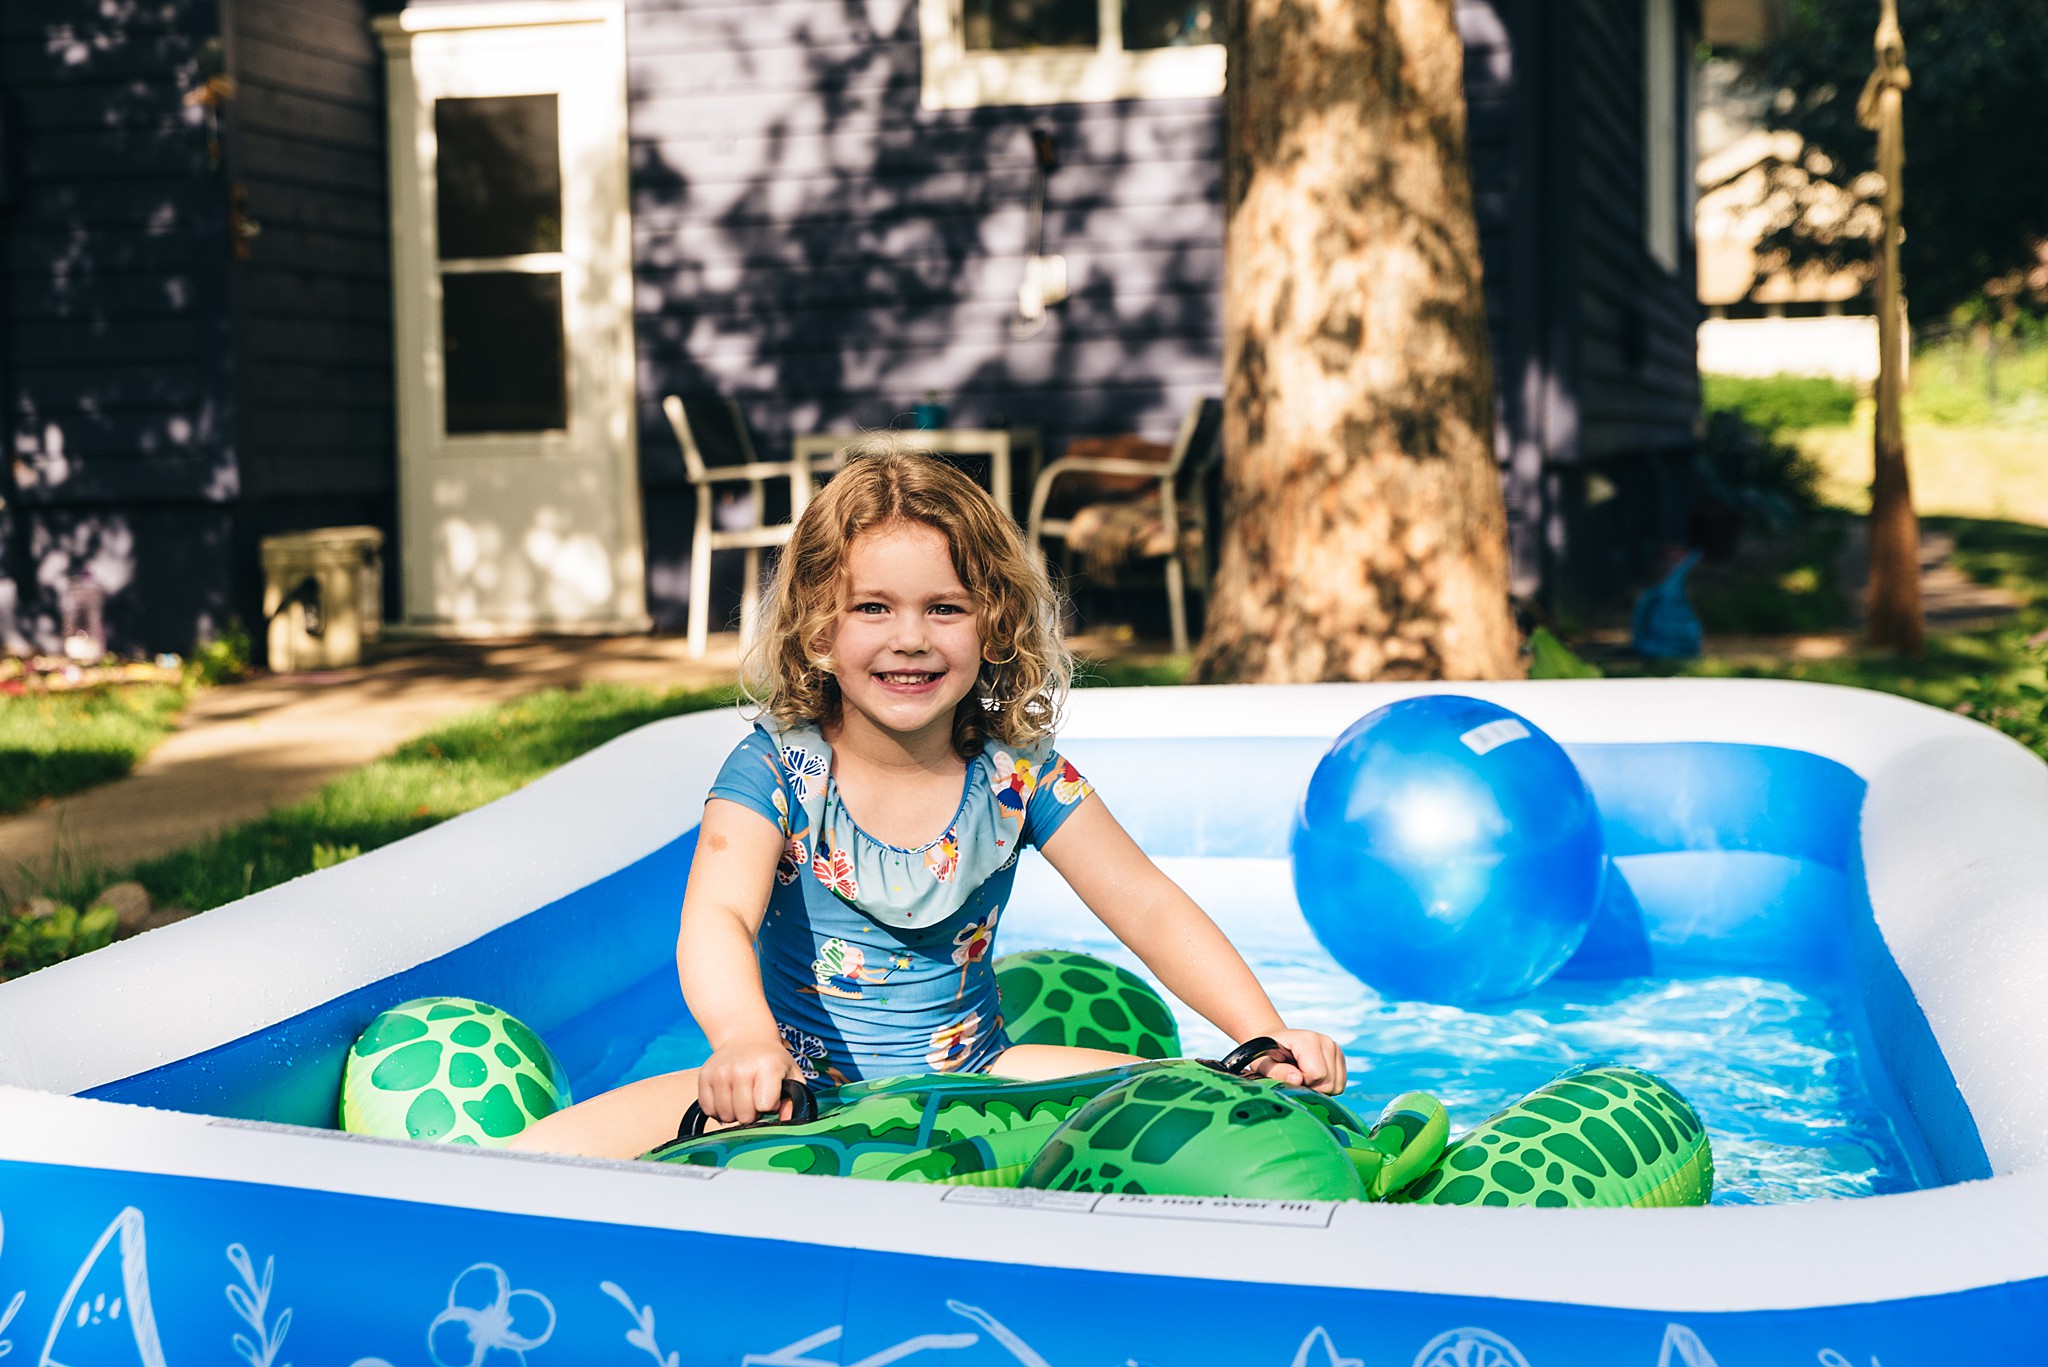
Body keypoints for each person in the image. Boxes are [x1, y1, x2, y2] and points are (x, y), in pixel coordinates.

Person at [510, 441, 1346, 1160]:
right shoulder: (773, 772)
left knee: (1225, 1101)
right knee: (539, 1164)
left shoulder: (1019, 776)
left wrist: (1259, 1033)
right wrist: (744, 1041)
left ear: (994, 625)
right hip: (794, 1084)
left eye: (944, 608)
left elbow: (1148, 905)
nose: (910, 637)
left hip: (976, 1074)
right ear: (818, 628)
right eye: (872, 608)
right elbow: (717, 918)